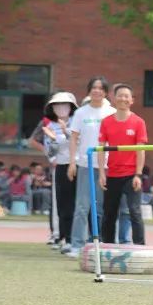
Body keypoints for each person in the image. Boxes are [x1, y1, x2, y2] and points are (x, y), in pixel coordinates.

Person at [66, 77, 115, 256]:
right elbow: (73, 138)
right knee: (82, 206)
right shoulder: (81, 113)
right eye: (94, 88)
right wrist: (72, 162)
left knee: (101, 207)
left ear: (105, 92)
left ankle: (98, 242)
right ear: (89, 90)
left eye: (101, 88)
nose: (97, 91)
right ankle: (77, 245)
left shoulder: (111, 112)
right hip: (85, 165)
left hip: (107, 166)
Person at [97, 83, 148, 245]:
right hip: (112, 174)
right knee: (109, 213)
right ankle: (107, 245)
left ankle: (140, 246)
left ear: (132, 100)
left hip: (131, 175)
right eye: (120, 95)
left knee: (134, 211)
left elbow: (141, 150)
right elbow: (100, 149)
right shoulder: (106, 122)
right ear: (113, 98)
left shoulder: (138, 122)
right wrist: (101, 173)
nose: (123, 99)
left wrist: (138, 174)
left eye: (127, 96)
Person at [36, 92, 77, 251]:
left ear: (71, 107)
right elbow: (50, 151)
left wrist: (64, 132)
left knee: (75, 203)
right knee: (61, 204)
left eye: (65, 105)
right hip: (59, 166)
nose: (61, 108)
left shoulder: (76, 122)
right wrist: (53, 140)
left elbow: (77, 142)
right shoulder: (50, 126)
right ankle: (63, 237)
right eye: (57, 105)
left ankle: (75, 238)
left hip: (76, 165)